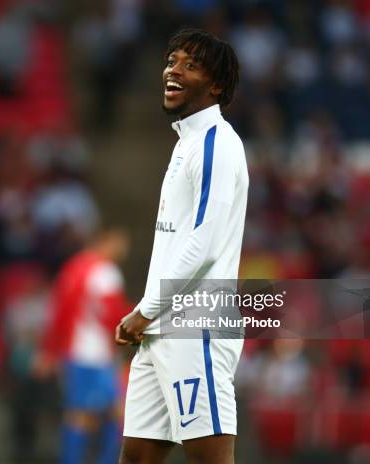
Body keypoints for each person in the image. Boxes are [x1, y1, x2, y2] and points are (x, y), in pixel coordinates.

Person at [115, 29, 248, 464]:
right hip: (161, 327)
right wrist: (150, 314)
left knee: (209, 458)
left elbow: (205, 243)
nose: (173, 69)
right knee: (137, 456)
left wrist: (145, 309)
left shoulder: (216, 143)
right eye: (172, 60)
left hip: (196, 325)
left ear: (217, 86)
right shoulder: (186, 144)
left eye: (190, 65)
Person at [36, 227, 131, 464]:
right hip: (97, 354)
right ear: (105, 241)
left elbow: (59, 312)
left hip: (75, 352)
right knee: (116, 412)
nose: (123, 250)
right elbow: (112, 314)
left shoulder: (72, 268)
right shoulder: (105, 271)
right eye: (120, 243)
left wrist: (50, 350)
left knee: (80, 415)